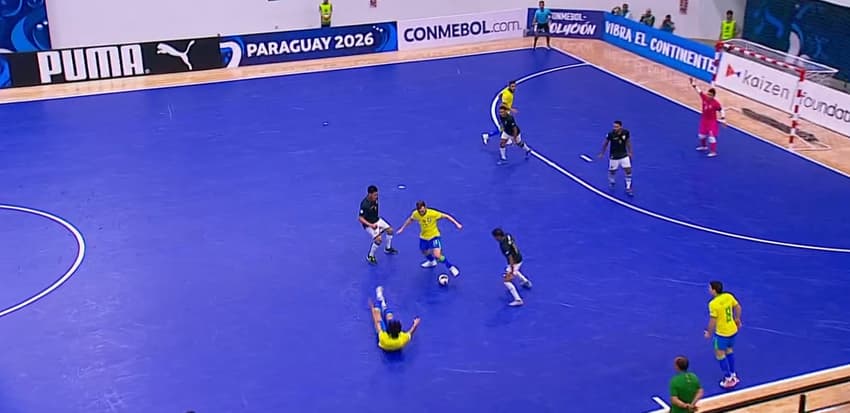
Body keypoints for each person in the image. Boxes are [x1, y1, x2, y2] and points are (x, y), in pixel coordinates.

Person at [397, 200, 462, 276]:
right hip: (424, 237)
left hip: (434, 236)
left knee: (437, 255)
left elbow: (446, 216)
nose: (421, 213)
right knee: (424, 251)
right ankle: (431, 261)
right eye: (419, 211)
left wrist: (457, 224)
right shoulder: (416, 214)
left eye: (422, 211)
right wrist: (402, 228)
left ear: (425, 207)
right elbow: (410, 219)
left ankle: (451, 267)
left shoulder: (432, 213)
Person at [705, 280, 742, 389]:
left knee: (720, 355)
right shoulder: (728, 296)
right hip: (732, 330)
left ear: (714, 290)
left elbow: (713, 320)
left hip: (722, 334)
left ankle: (728, 378)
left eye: (709, 288)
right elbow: (738, 307)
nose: (709, 290)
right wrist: (737, 319)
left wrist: (709, 332)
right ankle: (733, 374)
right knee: (729, 351)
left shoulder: (713, 304)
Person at [370, 286, 421, 351]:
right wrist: (415, 324)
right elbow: (410, 332)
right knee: (389, 316)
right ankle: (384, 306)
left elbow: (376, 322)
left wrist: (372, 308)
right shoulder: (402, 339)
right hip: (396, 344)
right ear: (399, 332)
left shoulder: (383, 338)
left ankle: (379, 301)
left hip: (384, 344)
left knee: (378, 316)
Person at [492, 228, 532, 307]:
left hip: (514, 262)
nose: (495, 239)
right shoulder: (508, 235)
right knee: (513, 271)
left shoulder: (504, 246)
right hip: (519, 257)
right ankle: (525, 281)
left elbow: (510, 257)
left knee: (506, 281)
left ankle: (518, 300)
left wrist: (512, 271)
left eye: (495, 237)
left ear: (498, 236)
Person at [358, 185, 398, 265]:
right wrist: (371, 225)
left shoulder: (375, 199)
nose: (377, 196)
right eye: (375, 195)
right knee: (378, 240)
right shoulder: (364, 204)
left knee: (390, 230)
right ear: (369, 194)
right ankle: (370, 256)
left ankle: (388, 248)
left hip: (377, 220)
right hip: (369, 224)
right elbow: (360, 218)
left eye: (377, 194)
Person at [689, 78, 726, 157]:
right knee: (701, 136)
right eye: (708, 94)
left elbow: (721, 110)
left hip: (712, 122)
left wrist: (723, 119)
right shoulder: (704, 98)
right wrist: (693, 84)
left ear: (713, 96)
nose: (708, 96)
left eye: (710, 95)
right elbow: (698, 91)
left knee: (712, 137)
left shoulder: (716, 103)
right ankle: (704, 146)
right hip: (704, 120)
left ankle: (713, 152)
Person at [597, 120, 633, 195]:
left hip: (624, 155)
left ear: (620, 127)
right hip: (614, 156)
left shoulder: (626, 132)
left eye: (616, 127)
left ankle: (628, 187)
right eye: (614, 127)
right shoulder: (610, 134)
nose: (614, 128)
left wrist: (630, 151)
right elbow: (605, 143)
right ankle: (612, 180)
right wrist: (602, 153)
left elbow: (628, 142)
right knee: (613, 171)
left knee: (628, 170)